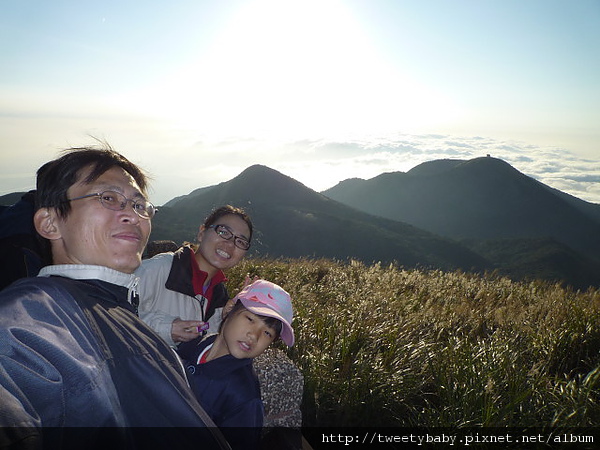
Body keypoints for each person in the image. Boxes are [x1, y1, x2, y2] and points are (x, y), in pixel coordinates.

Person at [0, 146, 230, 449]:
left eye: (139, 205)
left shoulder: (122, 314)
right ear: (50, 222)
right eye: (108, 198)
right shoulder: (32, 314)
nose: (132, 216)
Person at [177, 279, 295, 450]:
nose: (254, 336)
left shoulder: (244, 399)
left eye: (267, 333)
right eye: (250, 319)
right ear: (229, 310)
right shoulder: (193, 345)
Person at [136, 205, 253, 346]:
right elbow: (109, 312)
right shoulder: (158, 269)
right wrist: (166, 328)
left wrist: (230, 320)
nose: (230, 244)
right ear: (202, 233)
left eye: (240, 241)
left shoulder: (220, 299)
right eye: (223, 232)